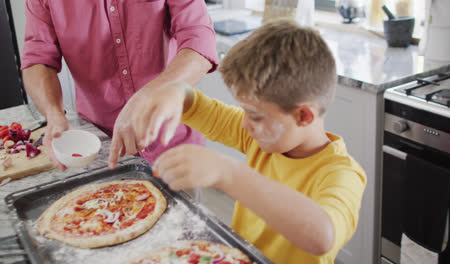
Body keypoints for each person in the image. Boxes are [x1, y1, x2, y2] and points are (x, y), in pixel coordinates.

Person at [121, 19, 366, 263]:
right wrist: (175, 92)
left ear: (303, 116)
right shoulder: (262, 138)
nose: (245, 124)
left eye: (255, 116)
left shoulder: (341, 174)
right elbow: (199, 107)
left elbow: (322, 237)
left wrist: (228, 173)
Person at [20, 0, 218, 171]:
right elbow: (37, 58)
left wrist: (150, 96)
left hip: (174, 140)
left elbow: (199, 40)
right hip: (102, 146)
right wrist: (53, 113)